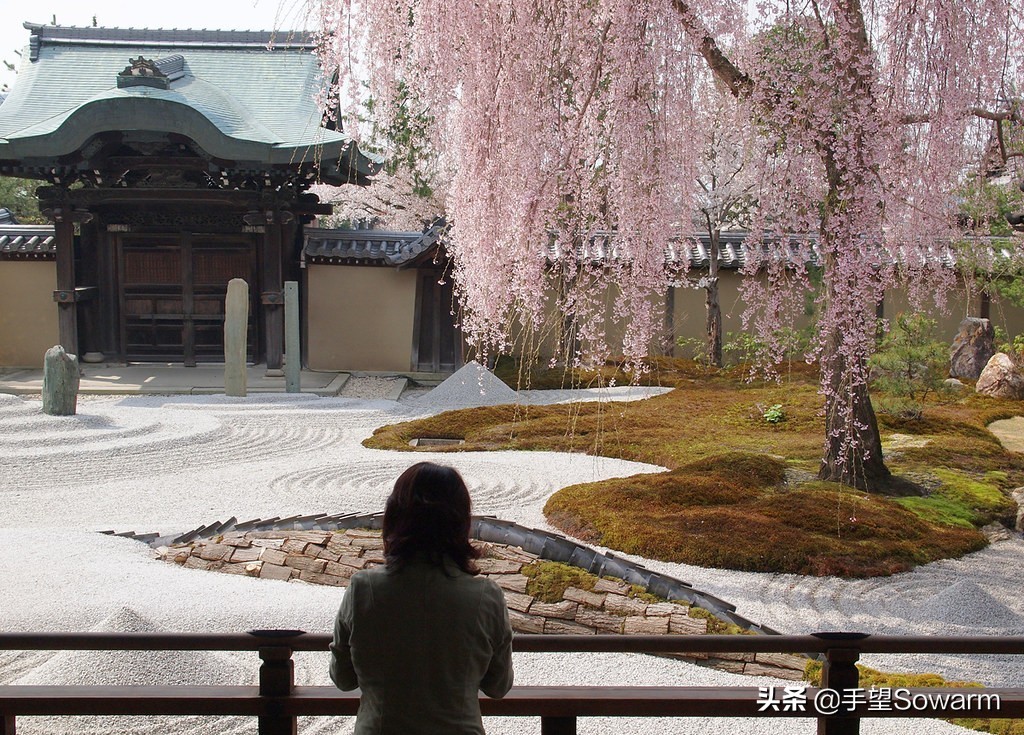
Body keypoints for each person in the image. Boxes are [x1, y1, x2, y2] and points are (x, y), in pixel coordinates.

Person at [330, 461, 514, 734]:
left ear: (394, 515)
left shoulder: (364, 588)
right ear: (461, 521)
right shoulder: (486, 596)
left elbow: (343, 678)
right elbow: (498, 686)